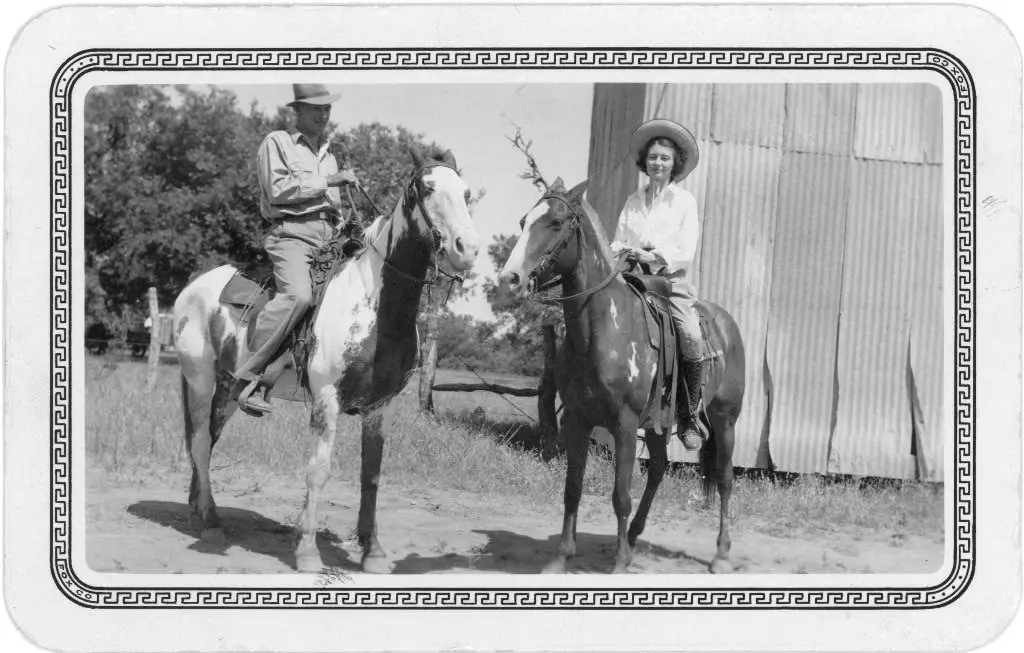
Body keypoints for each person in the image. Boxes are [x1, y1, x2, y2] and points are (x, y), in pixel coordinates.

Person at [231, 83, 359, 415]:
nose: (323, 114)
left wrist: (348, 227)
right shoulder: (278, 142)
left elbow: (334, 205)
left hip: (329, 241)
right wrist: (329, 182)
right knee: (298, 297)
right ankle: (249, 378)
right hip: (292, 237)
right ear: (297, 111)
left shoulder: (329, 155)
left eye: (327, 108)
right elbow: (276, 191)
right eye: (316, 108)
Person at [610, 118, 707, 450]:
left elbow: (686, 251)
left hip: (669, 282)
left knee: (691, 334)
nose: (658, 164)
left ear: (674, 163)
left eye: (664, 158)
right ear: (645, 162)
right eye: (653, 158)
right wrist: (621, 252)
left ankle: (689, 413)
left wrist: (651, 255)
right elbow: (618, 240)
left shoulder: (684, 202)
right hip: (632, 277)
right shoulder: (633, 200)